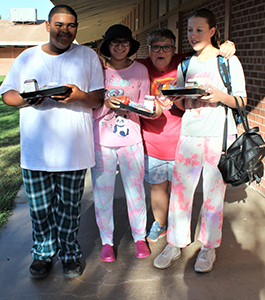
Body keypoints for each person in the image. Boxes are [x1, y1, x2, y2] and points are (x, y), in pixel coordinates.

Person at [0, 5, 104, 279]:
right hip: (36, 153)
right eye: (59, 24)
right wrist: (26, 98)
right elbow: (7, 95)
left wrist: (79, 95)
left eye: (71, 25)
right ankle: (42, 255)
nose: (65, 30)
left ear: (76, 28)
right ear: (48, 26)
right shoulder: (27, 57)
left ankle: (69, 254)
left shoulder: (88, 56)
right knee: (40, 210)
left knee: (70, 210)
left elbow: (97, 99)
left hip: (75, 151)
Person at [153, 8, 247, 272]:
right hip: (190, 136)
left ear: (213, 31)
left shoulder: (228, 61)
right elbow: (184, 103)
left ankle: (208, 248)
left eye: (199, 30)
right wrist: (179, 99)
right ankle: (175, 243)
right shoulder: (186, 63)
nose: (193, 35)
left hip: (219, 136)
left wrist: (220, 97)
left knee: (213, 197)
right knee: (181, 195)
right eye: (190, 30)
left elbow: (241, 100)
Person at [136, 28, 236, 243]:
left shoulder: (185, 62)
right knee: (158, 187)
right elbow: (117, 65)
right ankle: (161, 225)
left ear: (174, 50)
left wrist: (226, 46)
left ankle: (180, 230)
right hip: (152, 140)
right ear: (149, 50)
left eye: (167, 47)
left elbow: (207, 52)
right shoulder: (141, 66)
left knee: (181, 193)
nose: (161, 51)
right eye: (155, 47)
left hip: (184, 141)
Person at [91, 24, 162, 262]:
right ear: (107, 46)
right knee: (103, 193)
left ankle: (139, 236)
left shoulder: (140, 70)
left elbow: (144, 104)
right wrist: (105, 105)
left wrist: (150, 111)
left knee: (135, 191)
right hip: (102, 141)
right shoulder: (97, 70)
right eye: (114, 42)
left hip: (131, 140)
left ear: (131, 45)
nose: (120, 47)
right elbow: (88, 108)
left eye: (124, 42)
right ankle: (107, 241)